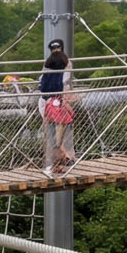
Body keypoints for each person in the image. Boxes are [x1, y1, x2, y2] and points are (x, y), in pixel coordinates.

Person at [39, 37, 76, 175]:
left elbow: (43, 83)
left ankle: (55, 163)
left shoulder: (48, 63)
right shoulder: (65, 62)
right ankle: (63, 160)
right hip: (56, 102)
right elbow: (64, 83)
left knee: (53, 135)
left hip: (48, 102)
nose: (55, 51)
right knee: (60, 134)